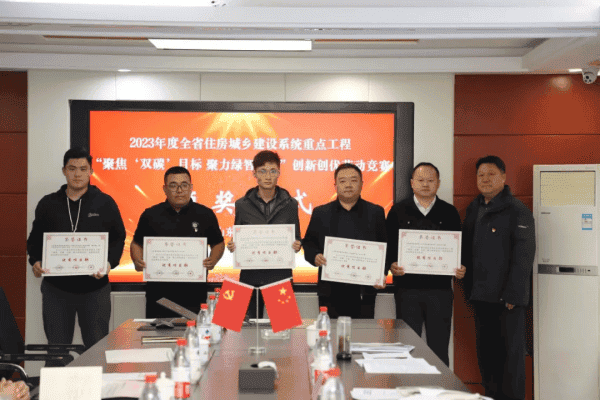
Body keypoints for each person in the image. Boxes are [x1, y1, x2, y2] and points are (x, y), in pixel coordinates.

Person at [26, 148, 126, 362]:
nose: (77, 174)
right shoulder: (48, 204)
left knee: (97, 348)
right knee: (57, 350)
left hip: (95, 289)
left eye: (83, 169)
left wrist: (109, 263)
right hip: (56, 290)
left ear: (91, 171)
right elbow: (34, 239)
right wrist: (36, 261)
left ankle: (96, 384)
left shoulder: (105, 203)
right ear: (64, 171)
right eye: (72, 168)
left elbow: (118, 237)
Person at [462, 156, 535, 400]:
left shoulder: (517, 210)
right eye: (480, 175)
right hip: (481, 297)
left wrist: (514, 294)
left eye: (491, 174)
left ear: (503, 177)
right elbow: (466, 249)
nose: (485, 179)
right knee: (488, 358)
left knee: (511, 360)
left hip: (508, 301)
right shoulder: (474, 208)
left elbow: (524, 255)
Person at [384, 162, 465, 366]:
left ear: (438, 183)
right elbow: (388, 245)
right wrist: (391, 264)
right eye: (420, 180)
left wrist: (461, 267)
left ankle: (439, 386)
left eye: (430, 180)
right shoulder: (398, 211)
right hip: (407, 291)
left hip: (440, 292)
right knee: (407, 347)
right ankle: (407, 386)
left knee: (438, 348)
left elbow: (459, 248)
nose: (425, 184)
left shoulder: (449, 212)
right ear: (412, 183)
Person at [130, 166, 225, 318]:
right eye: (173, 186)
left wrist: (213, 259)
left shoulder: (205, 214)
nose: (179, 190)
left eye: (184, 185)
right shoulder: (151, 215)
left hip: (194, 294)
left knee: (192, 331)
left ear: (191, 188)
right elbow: (136, 243)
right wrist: (137, 260)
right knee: (158, 332)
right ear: (165, 189)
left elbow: (218, 243)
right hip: (159, 295)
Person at [303, 163, 386, 319]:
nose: (348, 185)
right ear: (335, 186)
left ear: (362, 184)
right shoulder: (321, 213)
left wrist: (382, 273)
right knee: (331, 332)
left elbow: (385, 246)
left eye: (353, 180)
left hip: (364, 291)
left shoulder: (375, 212)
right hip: (330, 291)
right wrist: (315, 256)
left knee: (363, 333)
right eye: (342, 181)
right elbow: (309, 243)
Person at [226, 151, 302, 319]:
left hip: (280, 275)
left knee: (284, 324)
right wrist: (233, 245)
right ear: (254, 173)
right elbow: (238, 235)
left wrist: (297, 244)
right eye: (262, 171)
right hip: (250, 275)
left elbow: (297, 237)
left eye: (273, 171)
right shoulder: (242, 204)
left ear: (279, 173)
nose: (268, 176)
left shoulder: (291, 204)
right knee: (241, 325)